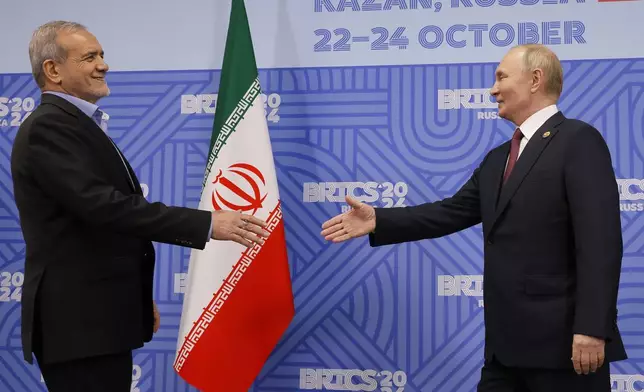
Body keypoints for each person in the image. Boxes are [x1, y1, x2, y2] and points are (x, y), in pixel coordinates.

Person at [321, 44, 627, 391]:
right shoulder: (498, 158)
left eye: (501, 77)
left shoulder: (578, 140)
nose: (492, 89)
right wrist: (380, 219)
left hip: (565, 350)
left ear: (535, 80)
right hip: (502, 352)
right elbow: (451, 211)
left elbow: (600, 243)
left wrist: (591, 327)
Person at [10, 21, 269, 392]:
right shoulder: (49, 127)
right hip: (79, 327)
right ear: (53, 70)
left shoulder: (75, 125)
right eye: (89, 57)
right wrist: (207, 223)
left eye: (101, 54)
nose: (103, 64)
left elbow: (102, 226)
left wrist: (133, 298)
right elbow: (106, 208)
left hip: (99, 321)